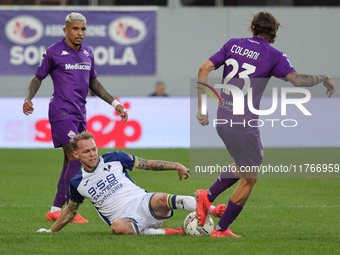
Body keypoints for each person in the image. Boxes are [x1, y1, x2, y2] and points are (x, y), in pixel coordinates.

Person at [195, 11, 335, 238]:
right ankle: (220, 230)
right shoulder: (274, 55)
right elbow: (297, 81)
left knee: (243, 164)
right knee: (250, 178)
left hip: (223, 118)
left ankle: (207, 196)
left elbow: (203, 69)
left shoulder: (232, 44)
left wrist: (202, 109)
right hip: (243, 124)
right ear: (274, 33)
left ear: (252, 27)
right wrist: (323, 77)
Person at [23, 12, 128, 224]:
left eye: (83, 29)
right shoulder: (53, 52)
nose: (80, 33)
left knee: (68, 161)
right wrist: (28, 98)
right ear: (66, 30)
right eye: (75, 29)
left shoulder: (88, 53)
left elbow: (94, 84)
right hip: (61, 112)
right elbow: (38, 77)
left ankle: (55, 209)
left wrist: (115, 104)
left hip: (80, 113)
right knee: (74, 157)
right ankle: (68, 210)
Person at [36, 131, 234, 235]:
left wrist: (175, 165)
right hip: (126, 220)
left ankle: (213, 209)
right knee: (117, 227)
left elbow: (146, 164)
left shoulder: (114, 158)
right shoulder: (77, 182)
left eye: (94, 149)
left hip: (143, 202)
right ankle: (171, 232)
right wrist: (51, 231)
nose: (92, 154)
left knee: (161, 198)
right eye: (86, 151)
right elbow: (71, 210)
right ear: (76, 154)